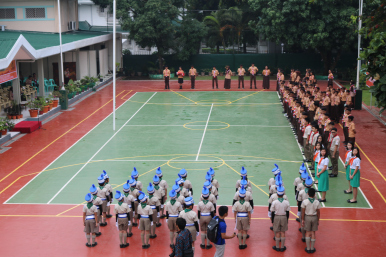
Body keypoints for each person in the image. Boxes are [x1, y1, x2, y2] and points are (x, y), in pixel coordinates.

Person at [271, 185, 290, 252]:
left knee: (277, 232)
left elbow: (272, 212)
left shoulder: (274, 202)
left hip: (277, 216)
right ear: (283, 194)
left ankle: (277, 247)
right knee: (283, 232)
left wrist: (272, 220)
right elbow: (287, 212)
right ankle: (282, 247)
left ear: (277, 194)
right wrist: (287, 220)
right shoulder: (286, 202)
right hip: (284, 217)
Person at [301, 188, 321, 253]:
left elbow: (303, 212)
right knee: (313, 233)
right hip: (314, 217)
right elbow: (318, 212)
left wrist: (303, 219)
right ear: (315, 194)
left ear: (308, 194)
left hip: (307, 217)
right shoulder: (317, 202)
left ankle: (308, 248)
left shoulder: (305, 201)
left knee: (308, 232)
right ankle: (312, 248)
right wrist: (318, 219)